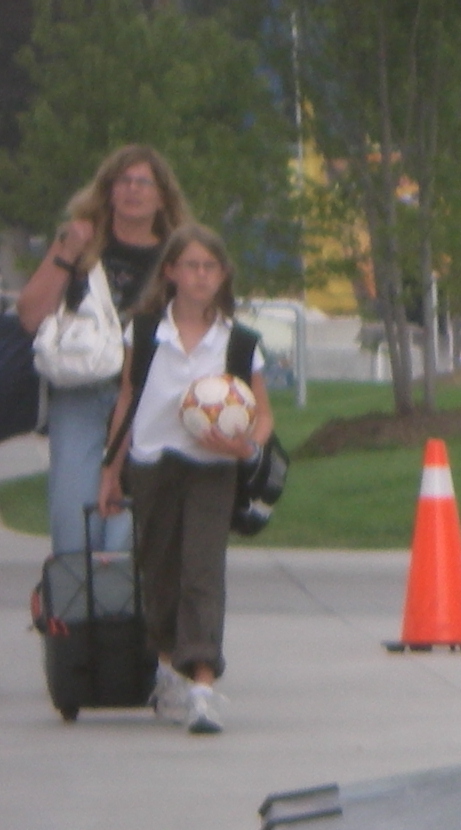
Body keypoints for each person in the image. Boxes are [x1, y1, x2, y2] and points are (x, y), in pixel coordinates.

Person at [95, 224, 271, 737]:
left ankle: (203, 685)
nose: (200, 276)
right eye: (190, 266)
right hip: (154, 461)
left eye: (210, 267)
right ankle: (169, 668)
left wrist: (245, 446)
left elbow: (262, 414)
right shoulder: (146, 331)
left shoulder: (239, 341)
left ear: (223, 275)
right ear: (170, 271)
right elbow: (127, 400)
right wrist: (111, 470)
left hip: (212, 468)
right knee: (160, 569)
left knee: (203, 570)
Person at [19, 145, 186, 555]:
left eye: (144, 182)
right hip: (81, 390)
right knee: (73, 520)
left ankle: (120, 596)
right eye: (123, 181)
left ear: (162, 196)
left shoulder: (178, 255)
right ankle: (75, 594)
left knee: (127, 529)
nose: (133, 190)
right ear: (108, 191)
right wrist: (67, 253)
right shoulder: (81, 244)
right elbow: (30, 315)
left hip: (147, 396)